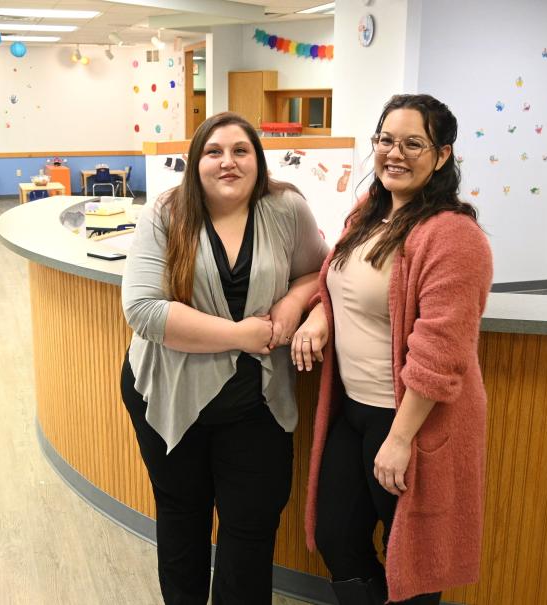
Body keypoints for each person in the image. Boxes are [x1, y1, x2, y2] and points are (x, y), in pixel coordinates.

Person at [120, 111, 329, 604]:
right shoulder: (165, 213)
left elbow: (319, 270)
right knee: (182, 520)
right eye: (214, 152)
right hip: (170, 396)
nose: (227, 162)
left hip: (256, 406)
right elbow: (143, 310)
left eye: (241, 151)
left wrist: (296, 303)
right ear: (196, 163)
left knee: (250, 531)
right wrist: (241, 334)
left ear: (258, 160)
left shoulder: (286, 208)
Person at [291, 94, 493, 604]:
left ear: (442, 155)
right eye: (385, 140)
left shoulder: (454, 236)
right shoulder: (367, 213)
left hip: (408, 422)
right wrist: (319, 313)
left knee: (414, 562)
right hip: (353, 411)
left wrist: (401, 439)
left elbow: (441, 351)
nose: (394, 153)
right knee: (338, 538)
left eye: (413, 143)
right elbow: (338, 285)